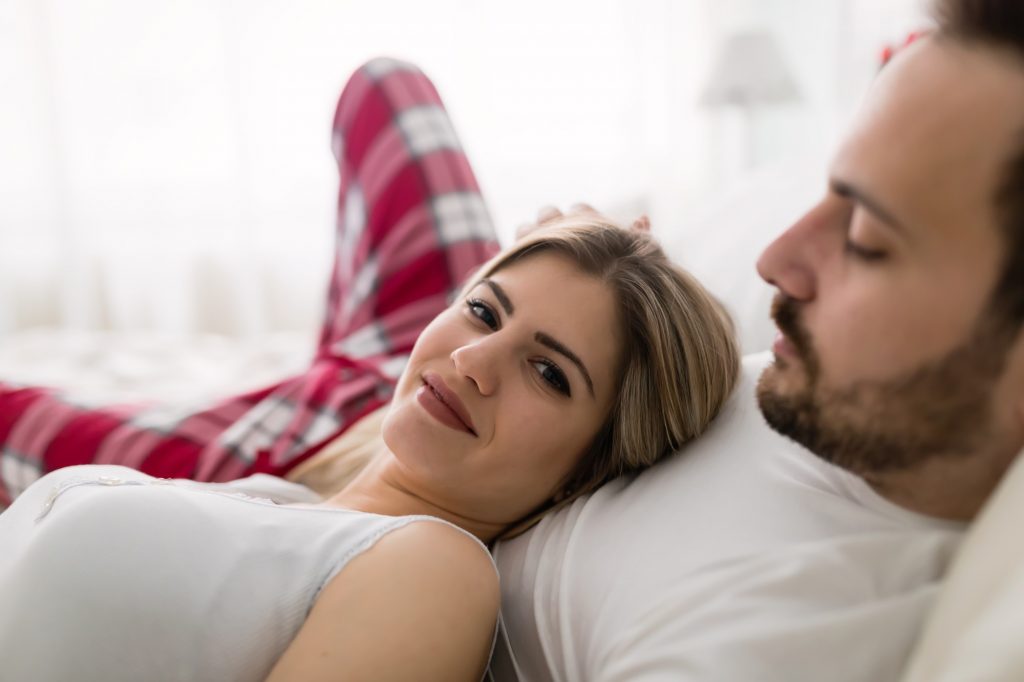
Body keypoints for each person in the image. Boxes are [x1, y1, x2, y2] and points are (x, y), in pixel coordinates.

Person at [0, 60, 740, 681]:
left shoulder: (434, 570)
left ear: (593, 467)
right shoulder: (286, 504)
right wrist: (577, 255)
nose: (475, 360)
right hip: (350, 408)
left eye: (550, 373)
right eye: (484, 311)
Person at [490, 0, 1024, 679]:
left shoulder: (786, 632)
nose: (774, 258)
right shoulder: (820, 397)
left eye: (865, 241)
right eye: (827, 194)